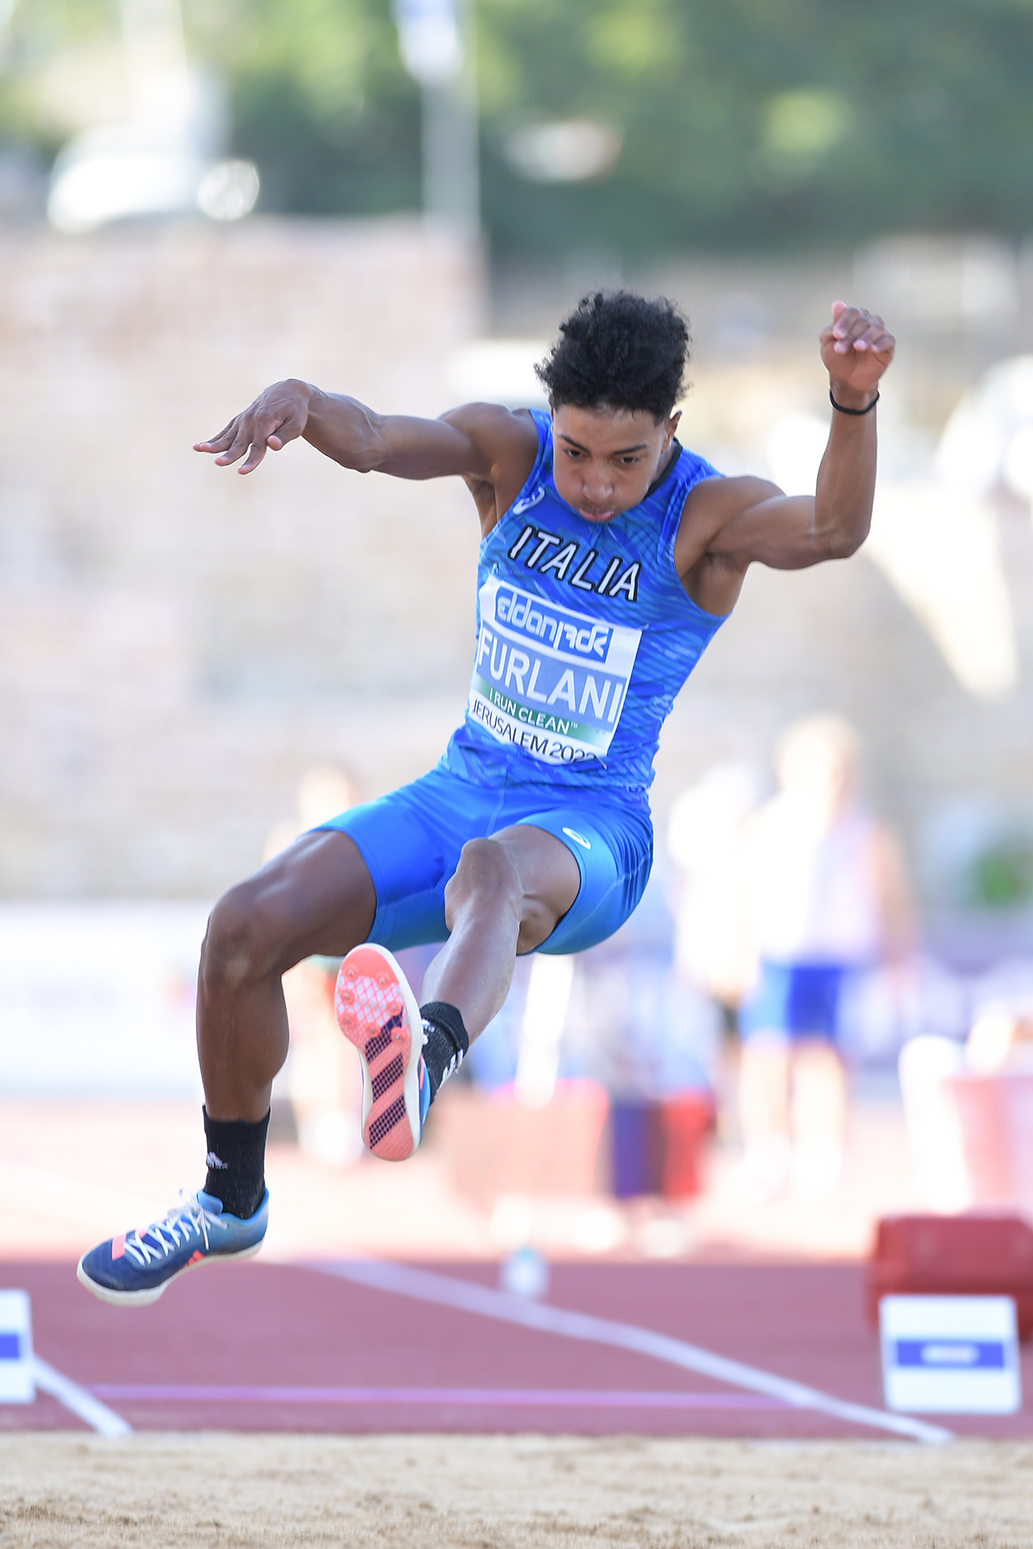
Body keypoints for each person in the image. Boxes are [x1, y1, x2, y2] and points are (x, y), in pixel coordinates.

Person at [76, 291, 895, 1304]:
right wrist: (304, 401)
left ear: (671, 432)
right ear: (550, 423)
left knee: (492, 871)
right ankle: (229, 1198)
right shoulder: (507, 455)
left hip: (588, 832)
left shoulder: (706, 517)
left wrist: (850, 403)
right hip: (456, 792)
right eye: (576, 453)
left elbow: (831, 528)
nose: (595, 485)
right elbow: (377, 439)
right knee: (240, 929)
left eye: (625, 460)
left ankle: (421, 1057)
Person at [736, 715, 914, 1201]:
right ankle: (770, 1147)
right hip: (782, 955)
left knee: (829, 1058)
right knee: (769, 1054)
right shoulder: (771, 825)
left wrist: (899, 956)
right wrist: (742, 952)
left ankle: (824, 1151)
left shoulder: (866, 830)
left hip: (839, 958)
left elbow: (891, 898)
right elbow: (745, 894)